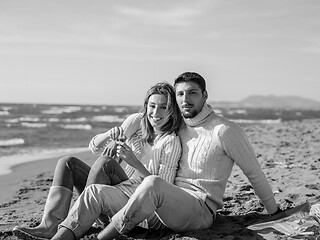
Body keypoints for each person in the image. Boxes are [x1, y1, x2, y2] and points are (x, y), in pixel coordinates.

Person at [50, 72, 280, 240]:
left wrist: (275, 213)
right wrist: (115, 135)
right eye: (180, 94)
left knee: (152, 183)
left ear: (205, 95)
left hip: (199, 209)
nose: (185, 99)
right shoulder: (179, 125)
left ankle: (103, 237)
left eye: (192, 93)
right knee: (93, 193)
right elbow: (149, 118)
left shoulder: (225, 131)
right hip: (158, 205)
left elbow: (254, 173)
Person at [12, 82, 182, 240]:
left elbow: (162, 188)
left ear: (171, 111)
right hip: (118, 188)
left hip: (135, 200)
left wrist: (133, 161)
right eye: (152, 106)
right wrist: (110, 135)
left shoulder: (171, 142)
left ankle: (77, 221)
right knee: (67, 162)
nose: (156, 113)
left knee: (105, 164)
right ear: (146, 107)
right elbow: (94, 148)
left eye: (163, 107)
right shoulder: (137, 127)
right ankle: (50, 225)